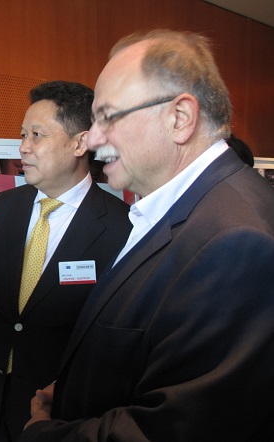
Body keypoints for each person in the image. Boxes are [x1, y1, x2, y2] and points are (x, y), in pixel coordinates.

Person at [21, 30, 274, 442]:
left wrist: (43, 434)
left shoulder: (236, 241)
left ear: (179, 119)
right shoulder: (188, 207)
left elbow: (178, 427)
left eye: (108, 117)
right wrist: (75, 391)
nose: (94, 139)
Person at [0, 80, 132, 442]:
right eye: (23, 134)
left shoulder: (121, 226)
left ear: (80, 143)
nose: (23, 147)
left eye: (37, 135)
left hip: (60, 411)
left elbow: (113, 339)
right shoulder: (7, 207)